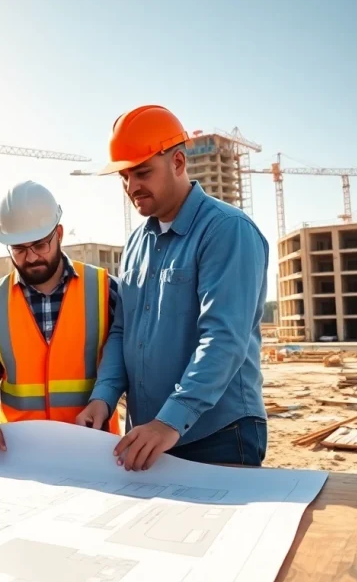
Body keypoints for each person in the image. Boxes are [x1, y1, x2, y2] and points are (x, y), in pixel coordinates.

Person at [76, 104, 269, 471]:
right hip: (150, 436)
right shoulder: (136, 244)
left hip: (218, 436)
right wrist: (103, 397)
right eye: (125, 177)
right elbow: (122, 331)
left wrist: (170, 420)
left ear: (178, 162)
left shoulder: (227, 231)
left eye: (142, 173)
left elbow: (224, 338)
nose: (132, 187)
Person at [0, 181, 121, 468]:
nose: (31, 257)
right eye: (19, 249)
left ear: (58, 234)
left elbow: (126, 364)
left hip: (93, 449)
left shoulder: (104, 289)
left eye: (40, 245)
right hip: (19, 454)